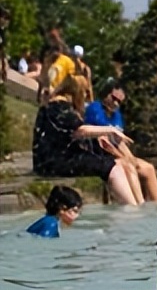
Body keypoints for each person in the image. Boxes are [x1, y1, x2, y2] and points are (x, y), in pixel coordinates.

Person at [32, 74, 143, 205]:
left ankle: (138, 205)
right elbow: (80, 130)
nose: (85, 96)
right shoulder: (58, 107)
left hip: (58, 158)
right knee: (112, 168)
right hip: (53, 163)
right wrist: (111, 130)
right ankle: (131, 208)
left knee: (118, 164)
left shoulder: (58, 105)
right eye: (84, 92)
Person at [85, 81, 157, 202]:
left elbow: (120, 142)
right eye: (113, 98)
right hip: (101, 154)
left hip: (116, 152)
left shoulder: (117, 115)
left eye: (119, 101)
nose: (115, 103)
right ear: (106, 94)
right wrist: (125, 158)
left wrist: (131, 157)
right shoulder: (95, 109)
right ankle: (139, 204)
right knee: (129, 166)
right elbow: (104, 143)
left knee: (148, 168)